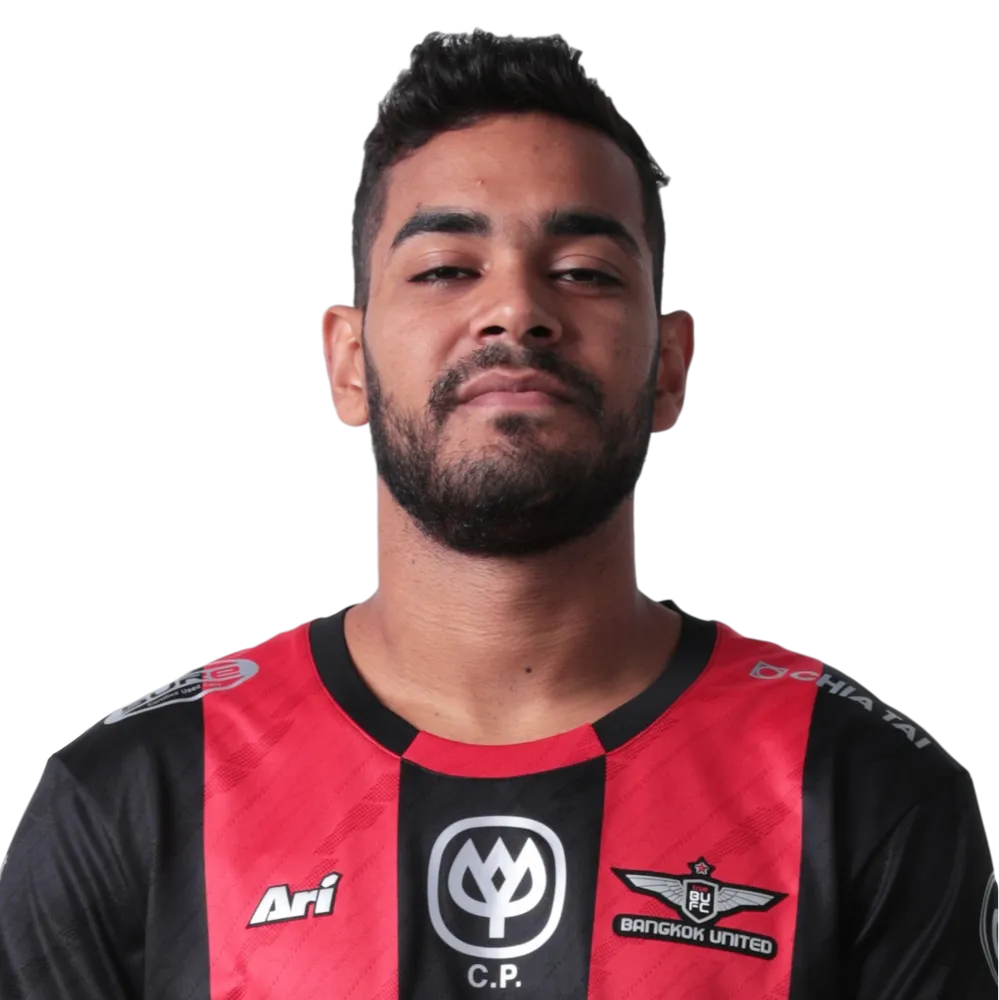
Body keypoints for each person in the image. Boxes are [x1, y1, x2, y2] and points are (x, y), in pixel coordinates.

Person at [2, 28, 995, 1000]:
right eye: (446, 268)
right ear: (345, 361)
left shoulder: (863, 786)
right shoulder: (133, 794)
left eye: (584, 272)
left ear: (670, 367)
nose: (516, 309)